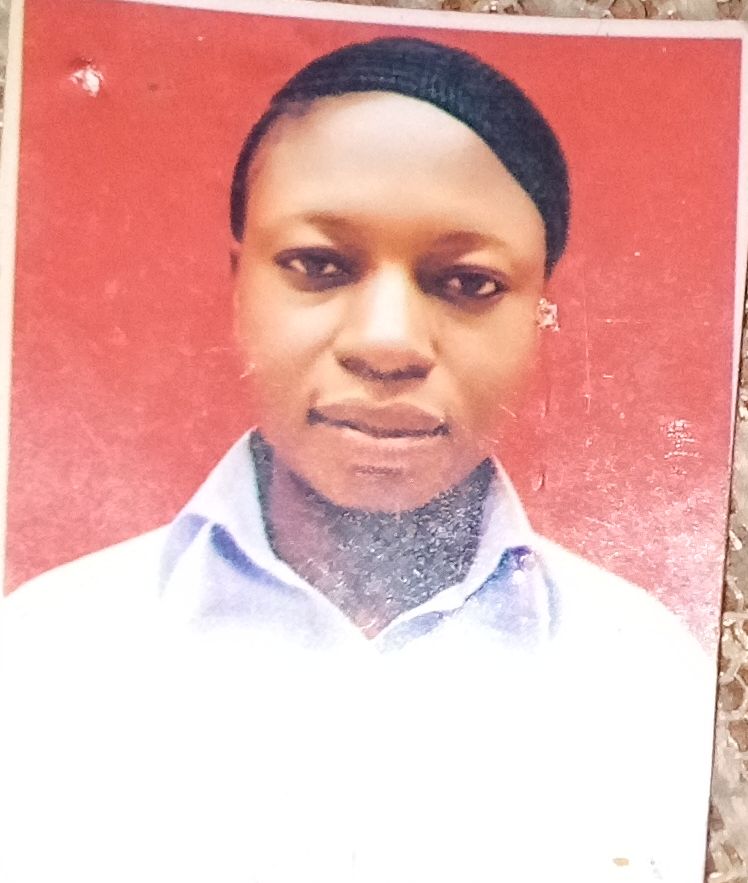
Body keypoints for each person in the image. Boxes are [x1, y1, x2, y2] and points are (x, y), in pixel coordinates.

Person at [0, 37, 715, 883]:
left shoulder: (657, 681)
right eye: (319, 265)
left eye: (469, 282)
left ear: (540, 315)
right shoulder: (43, 653)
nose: (387, 344)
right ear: (239, 286)